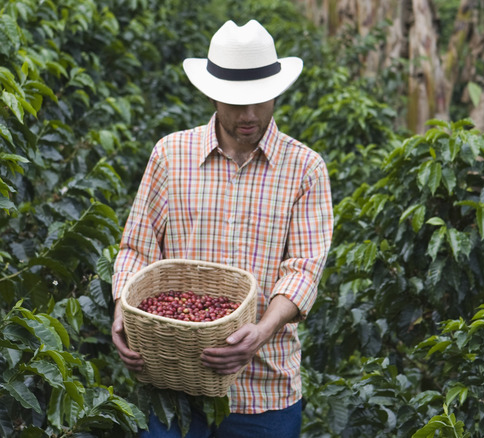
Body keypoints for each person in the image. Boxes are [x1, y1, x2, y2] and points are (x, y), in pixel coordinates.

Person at [111, 19, 333, 438]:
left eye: (260, 101)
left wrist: (261, 332)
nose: (249, 116)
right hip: (172, 378)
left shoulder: (305, 168)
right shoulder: (170, 156)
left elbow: (303, 269)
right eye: (235, 103)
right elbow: (136, 251)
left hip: (264, 391)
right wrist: (124, 312)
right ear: (212, 95)